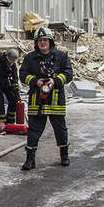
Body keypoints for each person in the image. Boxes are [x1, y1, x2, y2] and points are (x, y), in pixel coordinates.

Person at [19, 26, 73, 170]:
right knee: (34, 130)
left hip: (56, 99)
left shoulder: (62, 57)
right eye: (39, 40)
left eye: (45, 40)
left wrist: (55, 81)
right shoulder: (30, 58)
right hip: (37, 100)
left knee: (60, 129)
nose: (42, 43)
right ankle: (30, 159)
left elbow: (68, 73)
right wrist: (35, 81)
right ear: (36, 43)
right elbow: (23, 74)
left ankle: (64, 155)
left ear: (50, 41)